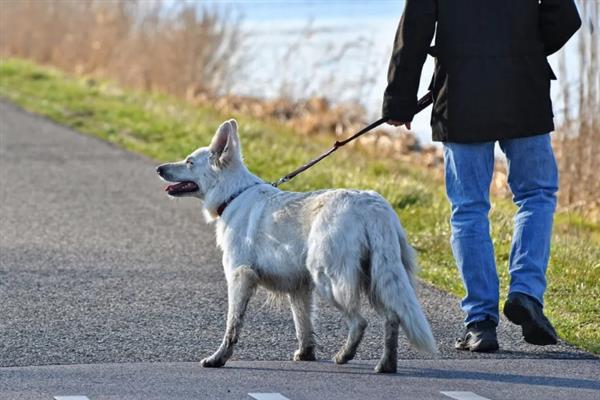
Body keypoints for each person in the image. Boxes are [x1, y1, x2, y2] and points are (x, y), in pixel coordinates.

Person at [383, 0, 581, 352]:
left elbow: (414, 29)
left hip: (461, 95)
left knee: (469, 208)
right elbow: (565, 18)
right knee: (536, 194)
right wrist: (523, 50)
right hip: (525, 88)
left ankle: (480, 323)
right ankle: (526, 293)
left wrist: (399, 101)